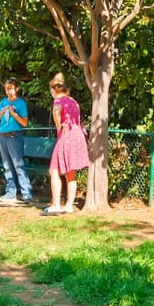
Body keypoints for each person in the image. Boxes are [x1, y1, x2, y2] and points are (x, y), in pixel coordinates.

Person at [43, 72, 89, 214]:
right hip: (78, 136)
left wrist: (58, 125)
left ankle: (56, 204)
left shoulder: (57, 101)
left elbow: (57, 113)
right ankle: (69, 206)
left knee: (54, 170)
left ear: (54, 89)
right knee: (71, 173)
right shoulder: (73, 101)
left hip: (67, 135)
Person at [0, 78, 33, 203]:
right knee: (7, 166)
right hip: (2, 135)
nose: (9, 90)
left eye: (11, 88)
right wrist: (4, 110)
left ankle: (26, 194)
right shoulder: (3, 102)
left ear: (16, 89)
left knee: (18, 165)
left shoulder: (21, 103)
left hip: (14, 136)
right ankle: (10, 193)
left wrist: (14, 114)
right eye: (6, 88)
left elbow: (24, 123)